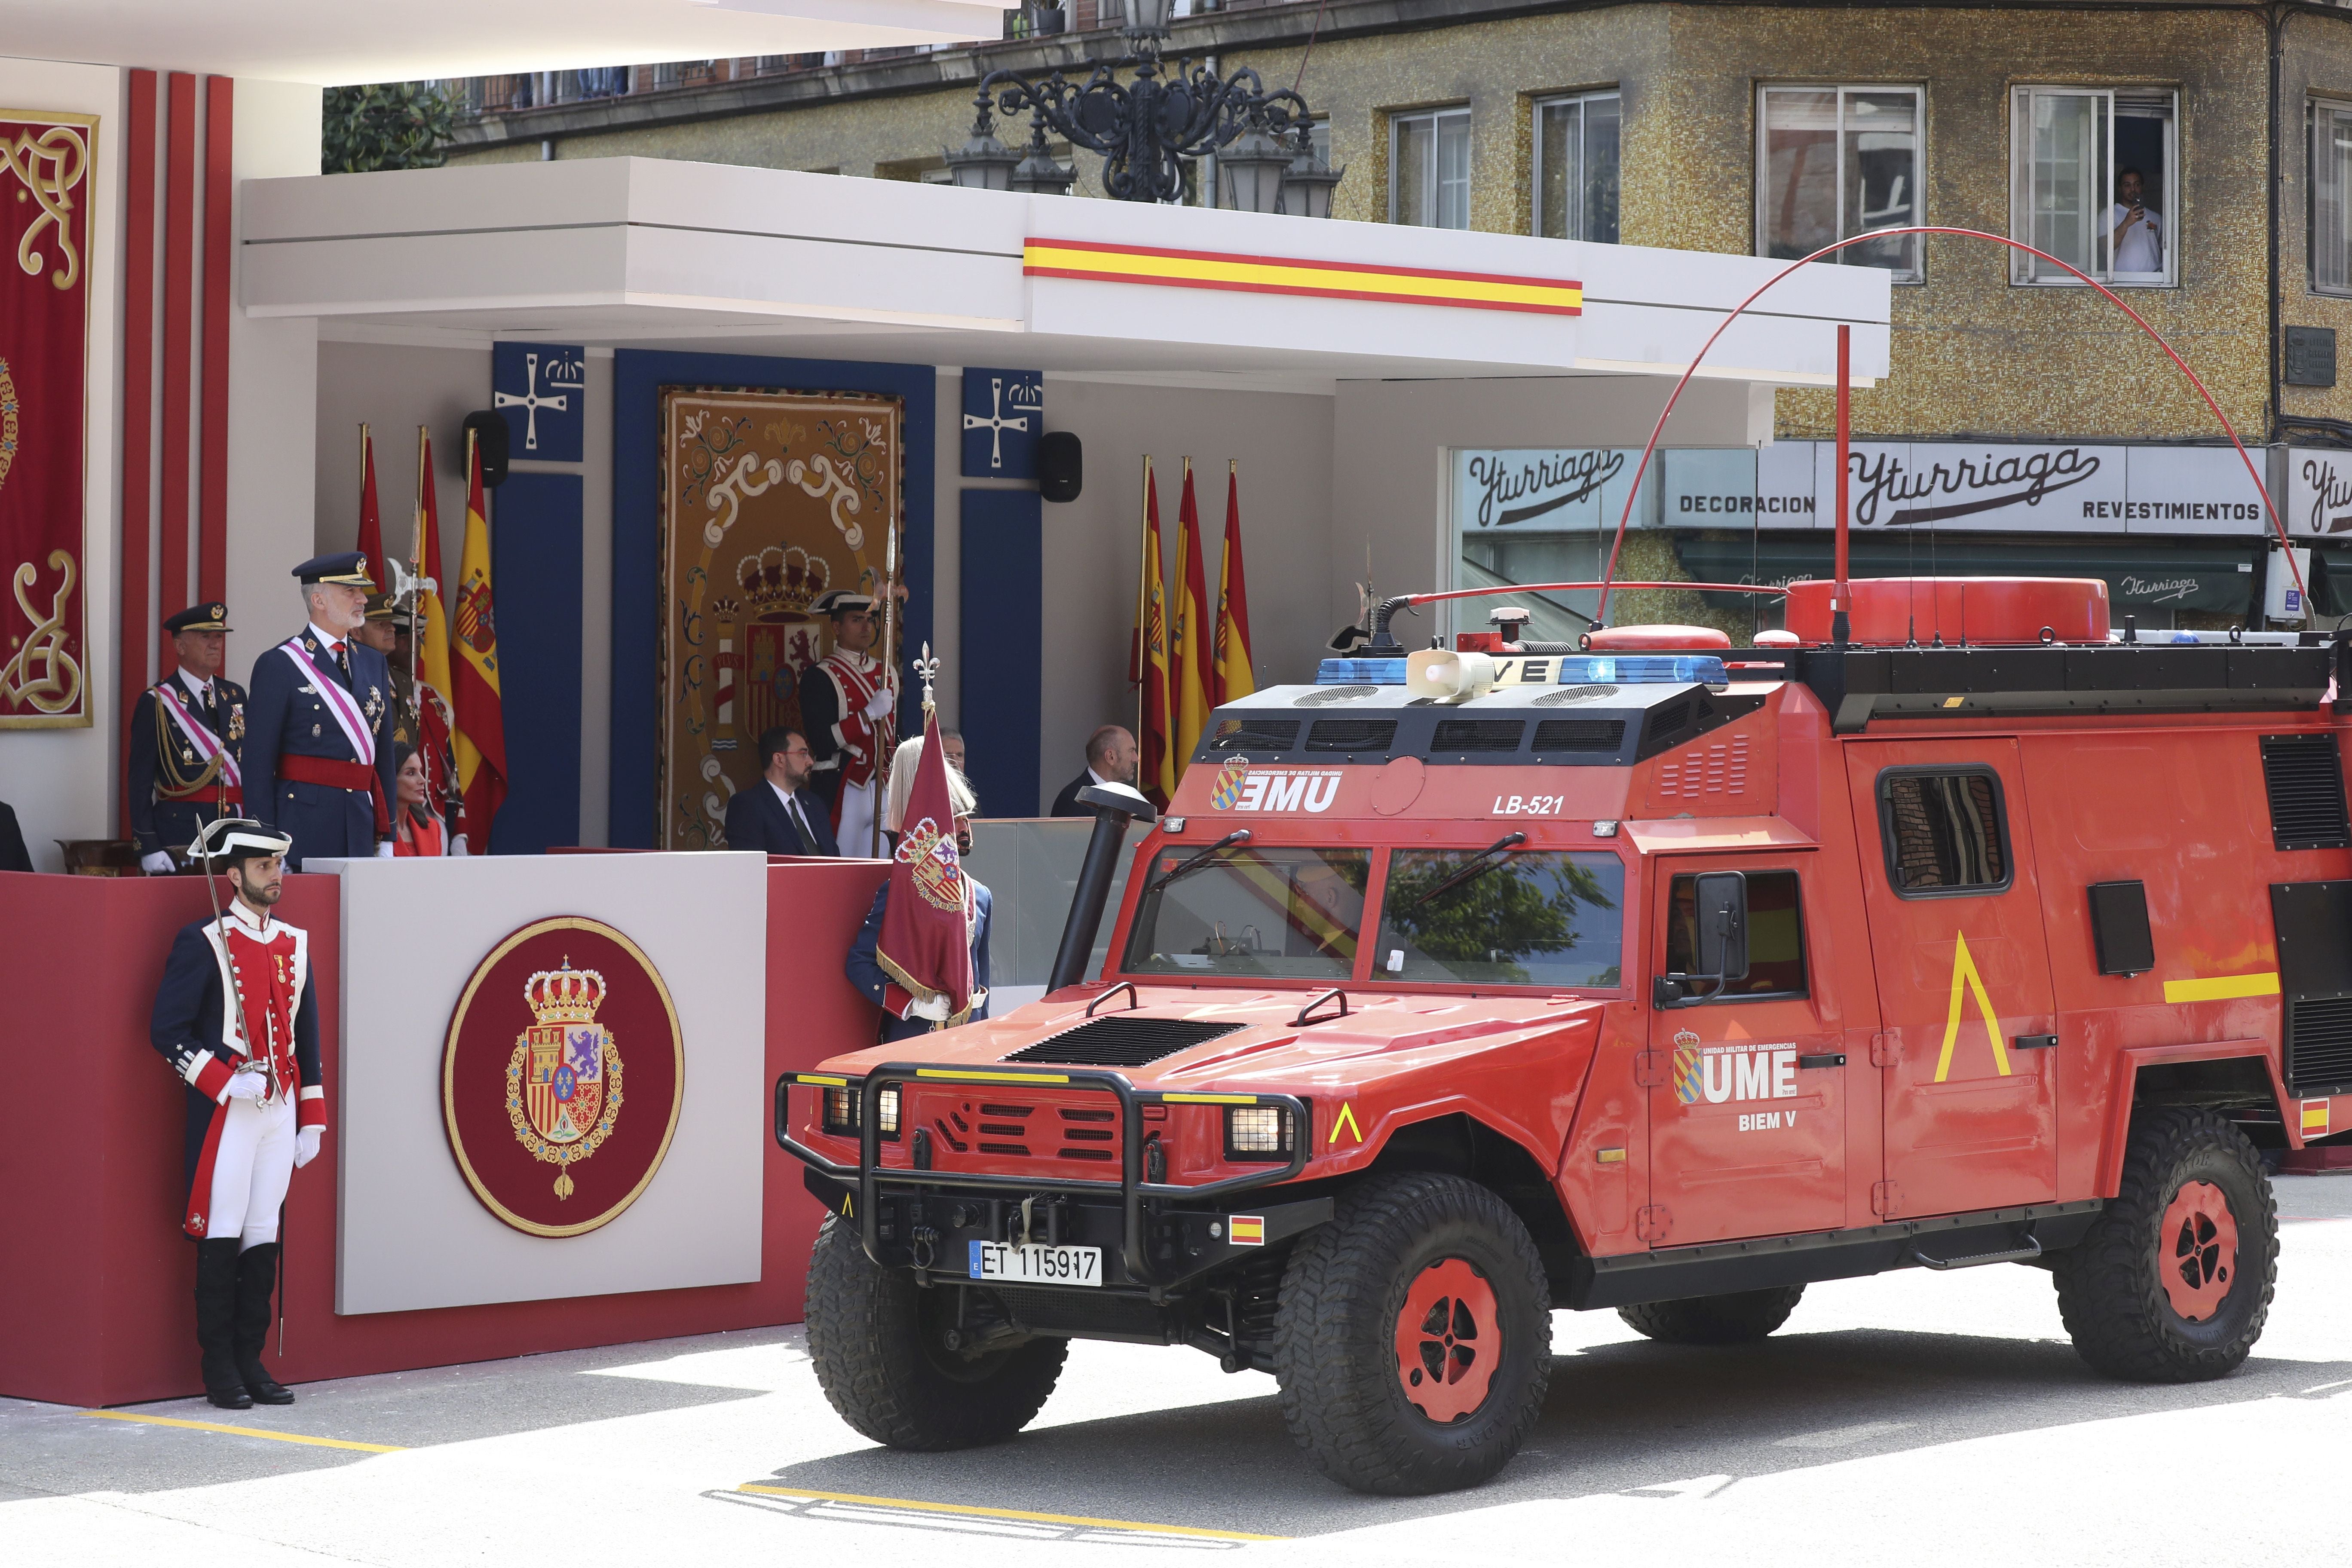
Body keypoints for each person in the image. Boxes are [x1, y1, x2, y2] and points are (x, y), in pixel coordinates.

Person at [148, 818, 326, 1410]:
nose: (277, 877)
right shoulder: (204, 941)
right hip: (230, 1115)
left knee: (263, 1235)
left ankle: (252, 1359)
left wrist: (313, 1115)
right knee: (222, 1235)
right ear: (232, 876)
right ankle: (218, 1366)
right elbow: (166, 1032)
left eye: (279, 866)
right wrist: (225, 1081)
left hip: (279, 1113)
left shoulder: (296, 942)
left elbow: (306, 1035)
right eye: (263, 867)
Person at [242, 554, 399, 870]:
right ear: (319, 600)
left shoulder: (373, 663)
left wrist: (389, 833)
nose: (362, 600)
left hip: (360, 824)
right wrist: (267, 845)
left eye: (361, 591)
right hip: (301, 827)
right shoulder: (281, 664)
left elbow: (383, 754)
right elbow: (257, 765)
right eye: (350, 592)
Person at [846, 768, 992, 1042]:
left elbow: (981, 979)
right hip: (913, 1037)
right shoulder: (899, 892)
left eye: (966, 819)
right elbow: (859, 963)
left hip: (965, 1041)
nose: (964, 829)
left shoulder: (981, 895)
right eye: (955, 819)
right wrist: (913, 1005)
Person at [129, 603, 249, 873]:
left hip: (235, 831)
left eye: (219, 637)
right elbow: (139, 783)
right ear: (180, 646)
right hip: (182, 833)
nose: (216, 644)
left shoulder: (235, 696)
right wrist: (147, 845)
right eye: (206, 637)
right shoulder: (158, 702)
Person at [798, 590, 895, 859]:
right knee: (841, 864)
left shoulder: (887, 672)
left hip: (883, 785)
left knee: (880, 869)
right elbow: (822, 742)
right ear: (836, 627)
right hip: (845, 783)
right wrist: (866, 715)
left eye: (870, 620)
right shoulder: (819, 676)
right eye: (857, 620)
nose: (867, 627)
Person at [723, 726, 839, 855]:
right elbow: (751, 868)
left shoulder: (815, 804)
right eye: (803, 754)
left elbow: (834, 858)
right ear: (779, 759)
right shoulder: (747, 805)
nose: (811, 761)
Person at [1051, 724, 1140, 817]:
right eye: (1131, 751)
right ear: (1111, 757)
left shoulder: (1128, 798)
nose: (1136, 759)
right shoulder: (1074, 800)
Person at [390, 743, 455, 856]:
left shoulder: (433, 828)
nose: (423, 780)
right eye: (411, 773)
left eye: (420, 771)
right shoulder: (374, 832)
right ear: (390, 777)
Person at [2110, 167, 2164, 276]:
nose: (2133, 189)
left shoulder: (2156, 217)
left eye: (2137, 185)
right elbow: (2104, 248)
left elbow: (2164, 249)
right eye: (2127, 185)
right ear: (2120, 189)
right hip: (2121, 279)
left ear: (2143, 187)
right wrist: (2126, 223)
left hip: (2155, 279)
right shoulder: (2110, 215)